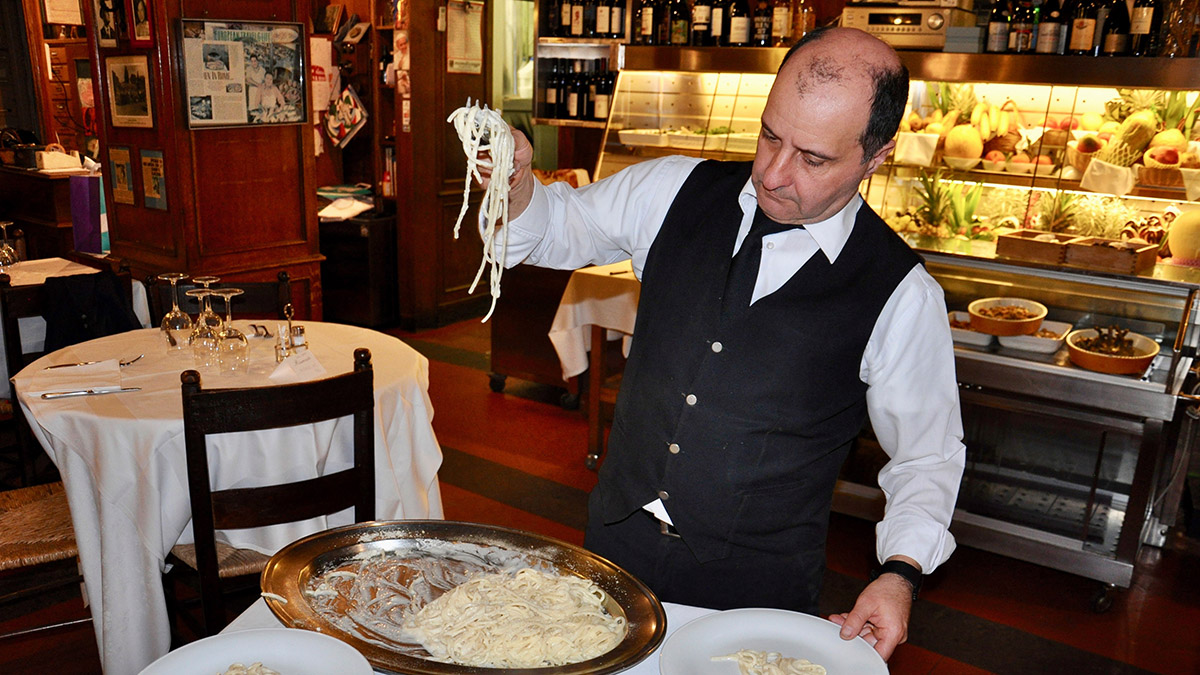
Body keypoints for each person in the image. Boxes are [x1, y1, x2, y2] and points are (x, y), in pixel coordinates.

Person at [481, 27, 965, 660]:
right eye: (769, 135)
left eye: (813, 158)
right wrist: (516, 188)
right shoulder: (672, 189)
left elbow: (927, 456)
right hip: (615, 552)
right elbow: (550, 231)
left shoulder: (901, 292)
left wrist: (900, 572)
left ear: (876, 157)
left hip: (755, 589)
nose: (774, 172)